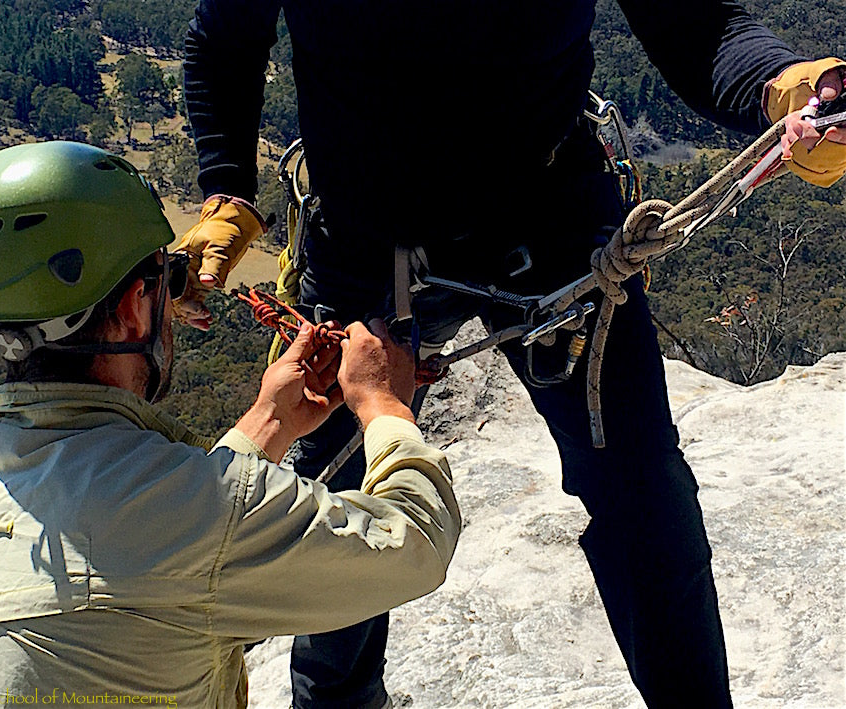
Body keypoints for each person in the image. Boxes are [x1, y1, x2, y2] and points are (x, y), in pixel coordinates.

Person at [178, 1, 846, 707]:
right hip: (370, 231)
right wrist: (227, 188)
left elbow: (691, 25)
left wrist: (790, 85)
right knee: (335, 488)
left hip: (544, 217)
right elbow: (226, 36)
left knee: (638, 485)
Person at [0, 141, 461, 708]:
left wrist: (270, 420)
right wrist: (382, 402)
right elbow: (415, 544)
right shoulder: (196, 516)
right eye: (167, 276)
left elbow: (170, 535)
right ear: (129, 309)